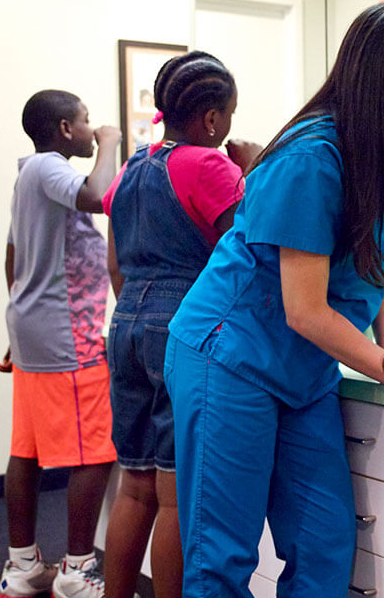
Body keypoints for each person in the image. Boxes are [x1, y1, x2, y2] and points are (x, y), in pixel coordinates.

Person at [161, 3, 384, 596]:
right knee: (222, 559)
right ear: (368, 86)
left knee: (324, 545)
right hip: (231, 356)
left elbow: (383, 267)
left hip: (304, 369)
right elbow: (305, 308)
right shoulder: (313, 157)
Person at [101, 51, 257, 598]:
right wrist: (251, 169)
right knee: (175, 497)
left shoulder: (130, 168)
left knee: (134, 487)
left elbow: (115, 262)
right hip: (181, 328)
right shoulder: (209, 165)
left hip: (124, 326)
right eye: (229, 115)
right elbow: (244, 248)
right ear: (212, 119)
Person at [0, 89, 119, 598]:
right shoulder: (48, 167)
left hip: (35, 334)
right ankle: (77, 569)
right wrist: (112, 143)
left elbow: (12, 254)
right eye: (87, 122)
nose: (93, 129)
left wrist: (20, 323)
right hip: (69, 339)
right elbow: (99, 195)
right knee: (94, 452)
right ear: (66, 130)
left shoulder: (30, 174)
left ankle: (23, 565)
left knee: (25, 448)